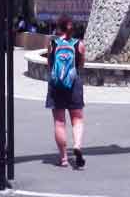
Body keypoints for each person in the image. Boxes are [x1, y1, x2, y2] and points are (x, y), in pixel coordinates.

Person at [46, 14, 85, 169]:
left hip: (56, 85)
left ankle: (63, 159)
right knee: (77, 119)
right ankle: (77, 146)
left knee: (59, 122)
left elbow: (49, 64)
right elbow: (81, 65)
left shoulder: (52, 43)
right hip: (74, 84)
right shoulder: (79, 44)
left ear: (58, 27)